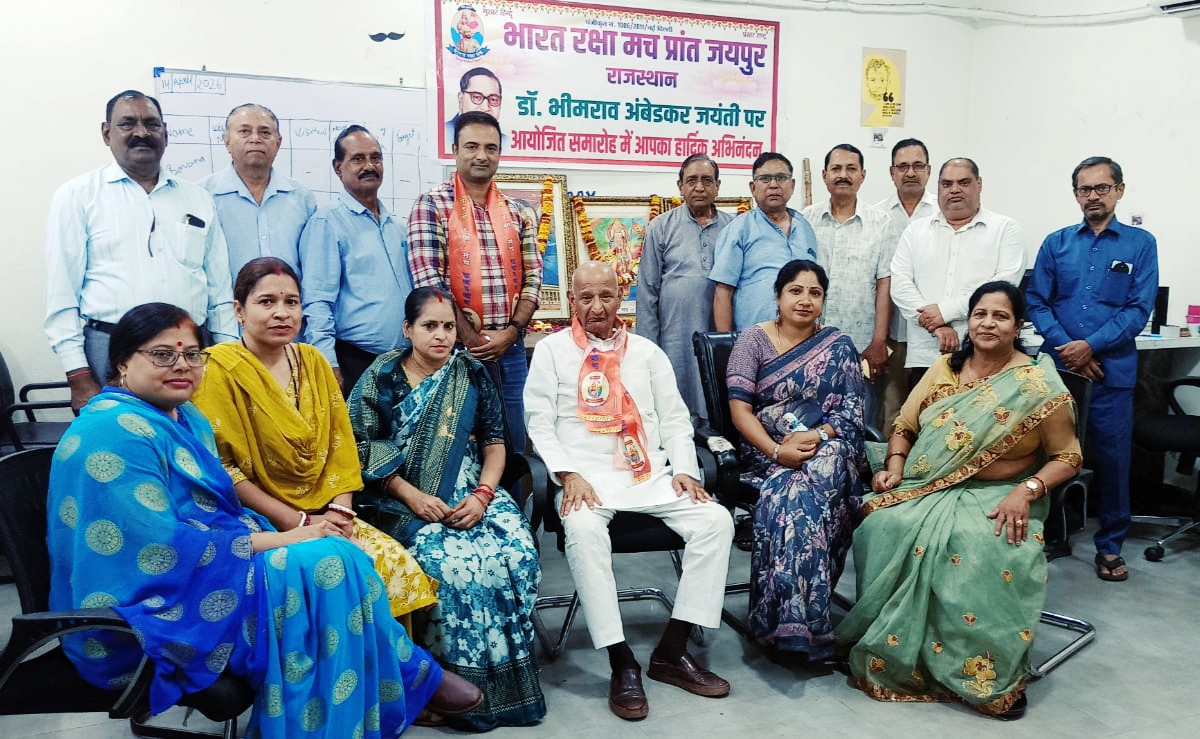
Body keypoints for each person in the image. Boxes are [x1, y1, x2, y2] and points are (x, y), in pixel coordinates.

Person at [47, 302, 482, 738]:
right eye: (162, 354)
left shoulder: (183, 417)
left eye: (192, 354)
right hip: (154, 605)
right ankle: (410, 676)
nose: (181, 365)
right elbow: (161, 550)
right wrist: (293, 535)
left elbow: (220, 511)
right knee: (327, 563)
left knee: (342, 553)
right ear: (122, 362)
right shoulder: (111, 432)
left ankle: (385, 689)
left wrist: (298, 530)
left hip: (211, 565)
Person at [836, 281, 1082, 720]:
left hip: (1003, 493)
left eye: (1000, 316)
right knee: (883, 524)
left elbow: (1068, 457)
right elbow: (904, 426)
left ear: (1018, 326)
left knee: (982, 541)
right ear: (968, 321)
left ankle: (987, 672)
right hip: (929, 481)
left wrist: (1026, 492)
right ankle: (893, 651)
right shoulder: (944, 368)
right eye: (980, 314)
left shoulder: (1037, 383)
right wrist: (895, 465)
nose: (988, 323)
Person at [525, 261, 735, 721]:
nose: (596, 307)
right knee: (583, 530)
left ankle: (672, 650)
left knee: (716, 521)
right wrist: (566, 474)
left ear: (620, 298)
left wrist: (686, 469)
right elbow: (538, 422)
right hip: (585, 479)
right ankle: (622, 662)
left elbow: (676, 419)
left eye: (606, 296)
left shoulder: (647, 352)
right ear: (573, 301)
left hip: (650, 475)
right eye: (586, 297)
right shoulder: (552, 351)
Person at [191, 257, 438, 627]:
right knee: (336, 574)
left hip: (329, 511)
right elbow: (223, 467)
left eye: (291, 302)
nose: (282, 312)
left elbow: (342, 445)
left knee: (394, 564)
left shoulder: (314, 360)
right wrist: (300, 521)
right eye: (266, 302)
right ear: (238, 311)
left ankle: (387, 664)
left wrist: (340, 513)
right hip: (258, 520)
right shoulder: (218, 369)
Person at [348, 286, 546, 731]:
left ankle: (509, 685)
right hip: (399, 497)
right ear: (407, 329)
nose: (441, 335)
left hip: (473, 487)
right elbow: (360, 448)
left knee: (514, 554)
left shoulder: (471, 372)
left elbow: (495, 444)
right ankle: (446, 687)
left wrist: (482, 496)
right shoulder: (382, 375)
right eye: (429, 326)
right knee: (454, 566)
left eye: (448, 327)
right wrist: (411, 495)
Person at [45, 90, 237, 412]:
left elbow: (219, 290)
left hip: (188, 350)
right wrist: (78, 375)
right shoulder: (77, 196)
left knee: (191, 436)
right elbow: (61, 294)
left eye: (151, 124)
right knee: (122, 438)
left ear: (166, 134)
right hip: (112, 350)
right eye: (127, 124)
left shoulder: (198, 198)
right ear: (106, 133)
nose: (141, 133)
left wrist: (228, 359)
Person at [1027, 156, 1158, 582]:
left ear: (1119, 190)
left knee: (1113, 460)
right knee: (1044, 453)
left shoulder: (1140, 244)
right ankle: (1044, 533)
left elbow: (1138, 309)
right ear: (1076, 195)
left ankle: (1110, 546)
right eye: (1085, 189)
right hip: (1058, 371)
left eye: (1102, 187)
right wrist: (1069, 349)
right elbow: (1036, 301)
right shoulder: (1056, 243)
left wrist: (1090, 347)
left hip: (1111, 372)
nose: (1093, 196)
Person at [726, 259, 867, 656]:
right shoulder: (752, 341)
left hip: (826, 448)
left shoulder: (839, 345)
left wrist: (817, 435)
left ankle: (793, 622)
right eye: (796, 291)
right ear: (778, 295)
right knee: (799, 494)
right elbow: (740, 412)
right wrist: (778, 450)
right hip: (767, 453)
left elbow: (852, 413)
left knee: (826, 462)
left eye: (815, 293)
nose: (805, 300)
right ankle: (802, 620)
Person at [409, 111, 541, 460]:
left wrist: (511, 333)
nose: (481, 155)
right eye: (471, 146)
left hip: (510, 352)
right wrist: (472, 340)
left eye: (490, 148)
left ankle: (511, 498)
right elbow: (429, 285)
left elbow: (533, 279)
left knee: (513, 446)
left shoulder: (518, 211)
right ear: (455, 151)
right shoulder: (431, 205)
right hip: (451, 352)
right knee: (455, 448)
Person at [889, 158, 1025, 388]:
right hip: (926, 354)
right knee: (925, 411)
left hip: (985, 356)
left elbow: (1003, 286)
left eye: (963, 182)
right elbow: (900, 284)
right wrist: (936, 325)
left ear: (979, 184)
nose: (954, 190)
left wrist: (945, 312)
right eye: (946, 184)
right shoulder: (916, 231)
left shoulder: (1005, 229)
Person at [300, 125, 412, 395]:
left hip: (405, 362)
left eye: (376, 158)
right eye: (358, 159)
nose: (369, 166)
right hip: (353, 362)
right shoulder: (327, 223)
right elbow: (317, 300)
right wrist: (328, 362)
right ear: (338, 167)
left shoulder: (398, 226)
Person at [801, 144, 895, 426]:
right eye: (836, 168)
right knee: (808, 423)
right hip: (809, 343)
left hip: (861, 346)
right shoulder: (806, 220)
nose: (843, 175)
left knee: (859, 422)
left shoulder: (881, 223)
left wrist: (878, 342)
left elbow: (884, 284)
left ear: (862, 175)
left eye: (851, 169)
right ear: (824, 175)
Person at [636, 154, 733, 420]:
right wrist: (648, 349)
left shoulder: (733, 228)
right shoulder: (660, 227)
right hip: (674, 335)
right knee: (675, 402)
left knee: (719, 401)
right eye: (692, 180)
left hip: (719, 332)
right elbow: (647, 291)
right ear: (680, 186)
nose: (699, 187)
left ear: (717, 186)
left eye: (707, 180)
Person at [203, 104, 317, 277]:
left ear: (278, 143)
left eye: (265, 132)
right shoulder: (203, 195)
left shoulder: (301, 197)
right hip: (227, 295)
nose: (255, 139)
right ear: (227, 141)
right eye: (244, 132)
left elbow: (313, 263)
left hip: (289, 295)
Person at [710, 152, 818, 332]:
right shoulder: (739, 229)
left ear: (792, 185)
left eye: (781, 178)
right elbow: (723, 293)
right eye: (765, 179)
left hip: (802, 338)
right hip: (755, 339)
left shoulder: (806, 228)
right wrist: (727, 344)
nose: (773, 185)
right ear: (753, 187)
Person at [875, 138, 938, 428]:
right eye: (902, 166)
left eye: (917, 165)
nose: (910, 172)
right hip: (892, 330)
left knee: (933, 407)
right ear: (892, 172)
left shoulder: (942, 212)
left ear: (928, 170)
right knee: (891, 407)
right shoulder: (878, 215)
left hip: (935, 330)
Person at [442, 68, 508, 149]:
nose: (485, 107)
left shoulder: (506, 142)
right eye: (477, 97)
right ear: (461, 99)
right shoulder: (443, 133)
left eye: (493, 99)